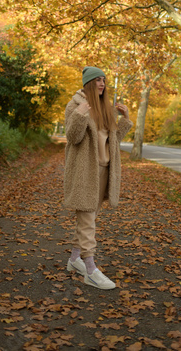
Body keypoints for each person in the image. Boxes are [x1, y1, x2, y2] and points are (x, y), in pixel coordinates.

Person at [64, 66, 133, 290]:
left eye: (103, 80)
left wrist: (125, 119)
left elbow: (113, 142)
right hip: (85, 172)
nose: (102, 83)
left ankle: (75, 259)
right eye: (97, 80)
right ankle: (90, 270)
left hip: (104, 171)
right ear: (87, 83)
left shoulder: (106, 109)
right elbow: (73, 138)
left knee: (89, 219)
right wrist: (79, 114)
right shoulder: (75, 106)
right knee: (87, 221)